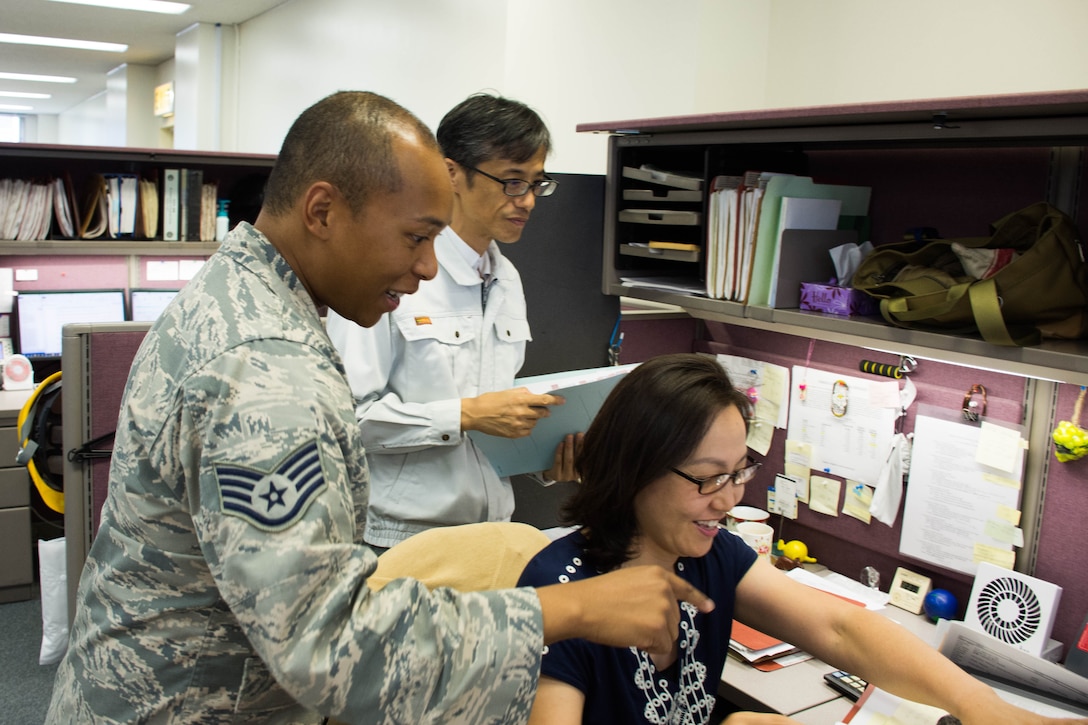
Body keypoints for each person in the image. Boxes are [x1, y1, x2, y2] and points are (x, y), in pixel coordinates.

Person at [44, 91, 714, 725]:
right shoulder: (266, 367)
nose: (426, 268)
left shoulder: (247, 294)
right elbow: (324, 645)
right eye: (415, 238)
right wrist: (563, 610)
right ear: (323, 211)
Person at [517, 353, 1088, 725]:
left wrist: (983, 707)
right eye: (706, 477)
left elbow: (843, 628)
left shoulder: (710, 554)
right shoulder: (562, 596)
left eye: (738, 471)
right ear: (634, 468)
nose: (728, 498)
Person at [326, 91, 579, 552]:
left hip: (493, 530)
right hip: (402, 538)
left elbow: (494, 421)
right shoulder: (390, 272)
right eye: (511, 182)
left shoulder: (507, 279)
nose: (527, 202)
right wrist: (465, 415)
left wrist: (547, 458)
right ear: (451, 173)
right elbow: (346, 420)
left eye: (536, 184)